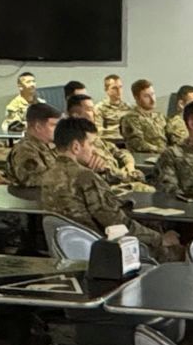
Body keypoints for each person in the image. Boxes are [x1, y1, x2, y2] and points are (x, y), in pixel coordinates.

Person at [40, 116, 175, 254]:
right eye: (91, 144)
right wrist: (160, 239)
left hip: (73, 249)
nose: (94, 150)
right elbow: (118, 223)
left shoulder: (48, 175)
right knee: (175, 250)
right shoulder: (85, 178)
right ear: (76, 147)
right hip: (106, 251)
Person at [67, 91, 145, 188]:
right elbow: (103, 173)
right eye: (90, 110)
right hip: (110, 188)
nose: (95, 113)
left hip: (123, 179)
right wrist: (127, 175)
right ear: (76, 115)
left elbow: (120, 151)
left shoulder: (95, 138)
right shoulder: (80, 145)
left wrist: (129, 164)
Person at [6, 102, 62, 186]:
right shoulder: (25, 150)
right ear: (38, 127)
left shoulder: (46, 145)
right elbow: (36, 180)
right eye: (54, 125)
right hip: (30, 198)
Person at [120, 78, 166, 155]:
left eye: (153, 94)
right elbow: (138, 144)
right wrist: (163, 151)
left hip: (165, 157)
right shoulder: (130, 119)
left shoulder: (159, 116)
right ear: (136, 98)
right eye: (146, 96)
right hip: (146, 158)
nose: (152, 100)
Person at [96, 74, 129, 138]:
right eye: (114, 88)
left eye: (120, 87)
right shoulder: (100, 108)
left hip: (128, 142)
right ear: (106, 90)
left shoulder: (128, 107)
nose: (119, 91)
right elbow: (98, 131)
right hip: (110, 142)